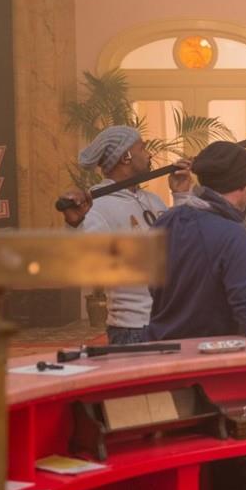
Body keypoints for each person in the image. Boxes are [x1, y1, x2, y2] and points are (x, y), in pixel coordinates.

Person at [57, 125, 192, 345]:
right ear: (125, 156)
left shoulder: (153, 200)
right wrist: (75, 224)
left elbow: (182, 245)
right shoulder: (97, 206)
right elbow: (83, 260)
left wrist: (181, 195)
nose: (149, 154)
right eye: (143, 148)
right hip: (133, 328)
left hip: (169, 321)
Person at [146, 141, 246, 340]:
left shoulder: (165, 221)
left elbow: (153, 288)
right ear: (243, 184)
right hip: (207, 351)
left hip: (161, 346)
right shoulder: (233, 234)